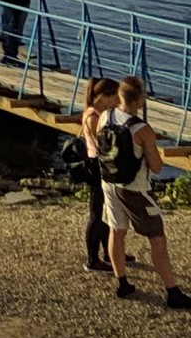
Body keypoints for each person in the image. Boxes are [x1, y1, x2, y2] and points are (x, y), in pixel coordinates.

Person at [99, 75, 189, 309]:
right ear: (141, 99)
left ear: (119, 94)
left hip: (109, 182)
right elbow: (157, 167)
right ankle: (172, 290)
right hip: (135, 188)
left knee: (116, 231)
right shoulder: (142, 129)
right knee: (157, 239)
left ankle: (122, 282)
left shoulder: (104, 117)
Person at [79, 77, 120, 273]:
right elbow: (102, 143)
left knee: (106, 211)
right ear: (104, 97)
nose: (118, 102)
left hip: (100, 163)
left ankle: (109, 251)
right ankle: (92, 258)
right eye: (115, 97)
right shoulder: (94, 116)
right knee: (97, 213)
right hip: (96, 165)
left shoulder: (98, 112)